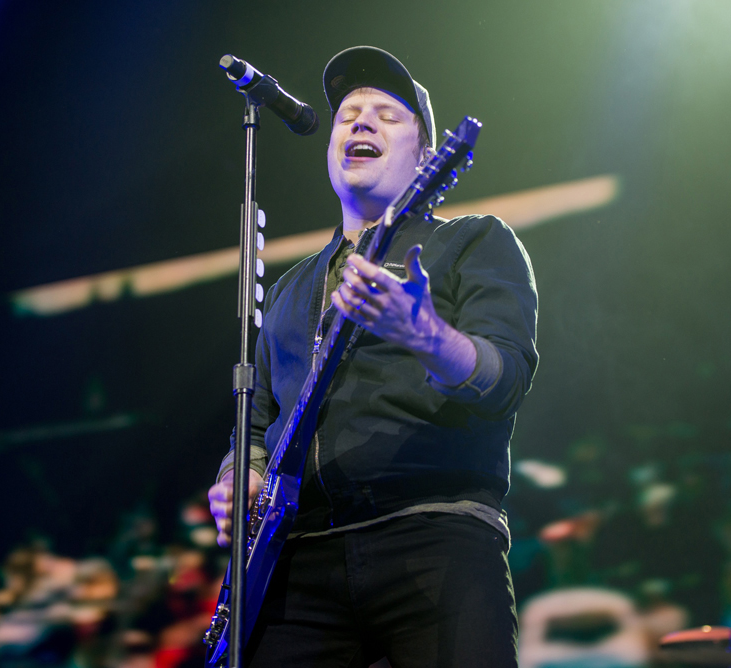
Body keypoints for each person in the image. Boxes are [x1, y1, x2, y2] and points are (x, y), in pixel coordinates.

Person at [208, 46, 538, 667]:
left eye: (387, 115)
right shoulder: (289, 289)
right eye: (348, 116)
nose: (361, 121)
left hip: (434, 535)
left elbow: (506, 378)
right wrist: (238, 478)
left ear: (426, 157)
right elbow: (255, 426)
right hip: (298, 561)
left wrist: (426, 335)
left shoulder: (474, 241)